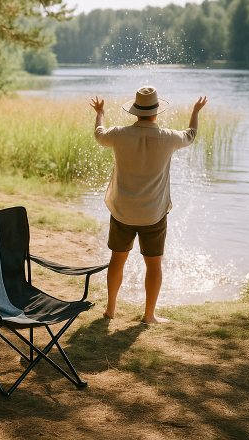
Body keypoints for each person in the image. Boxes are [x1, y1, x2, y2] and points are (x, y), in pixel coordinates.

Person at [90, 86, 207, 324]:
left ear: (135, 112)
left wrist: (100, 112)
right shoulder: (168, 137)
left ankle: (111, 309)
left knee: (117, 259)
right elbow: (191, 134)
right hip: (154, 214)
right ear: (156, 113)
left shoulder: (119, 134)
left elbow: (99, 134)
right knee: (153, 264)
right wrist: (196, 111)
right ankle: (149, 315)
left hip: (122, 211)